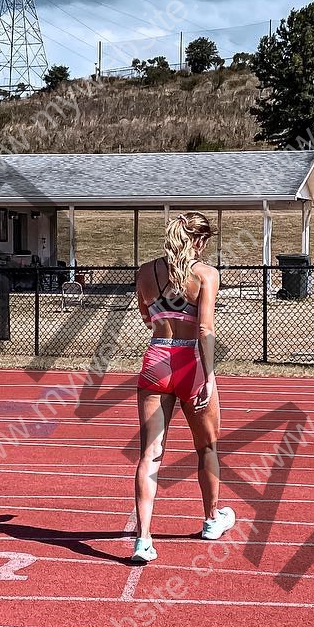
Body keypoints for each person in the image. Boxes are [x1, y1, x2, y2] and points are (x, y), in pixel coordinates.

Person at [130, 211, 235, 564]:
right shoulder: (205, 275)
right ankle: (211, 519)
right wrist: (208, 374)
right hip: (191, 361)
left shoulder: (145, 272)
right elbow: (205, 330)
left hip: (157, 357)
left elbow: (147, 317)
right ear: (200, 240)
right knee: (207, 447)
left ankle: (143, 539)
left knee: (150, 453)